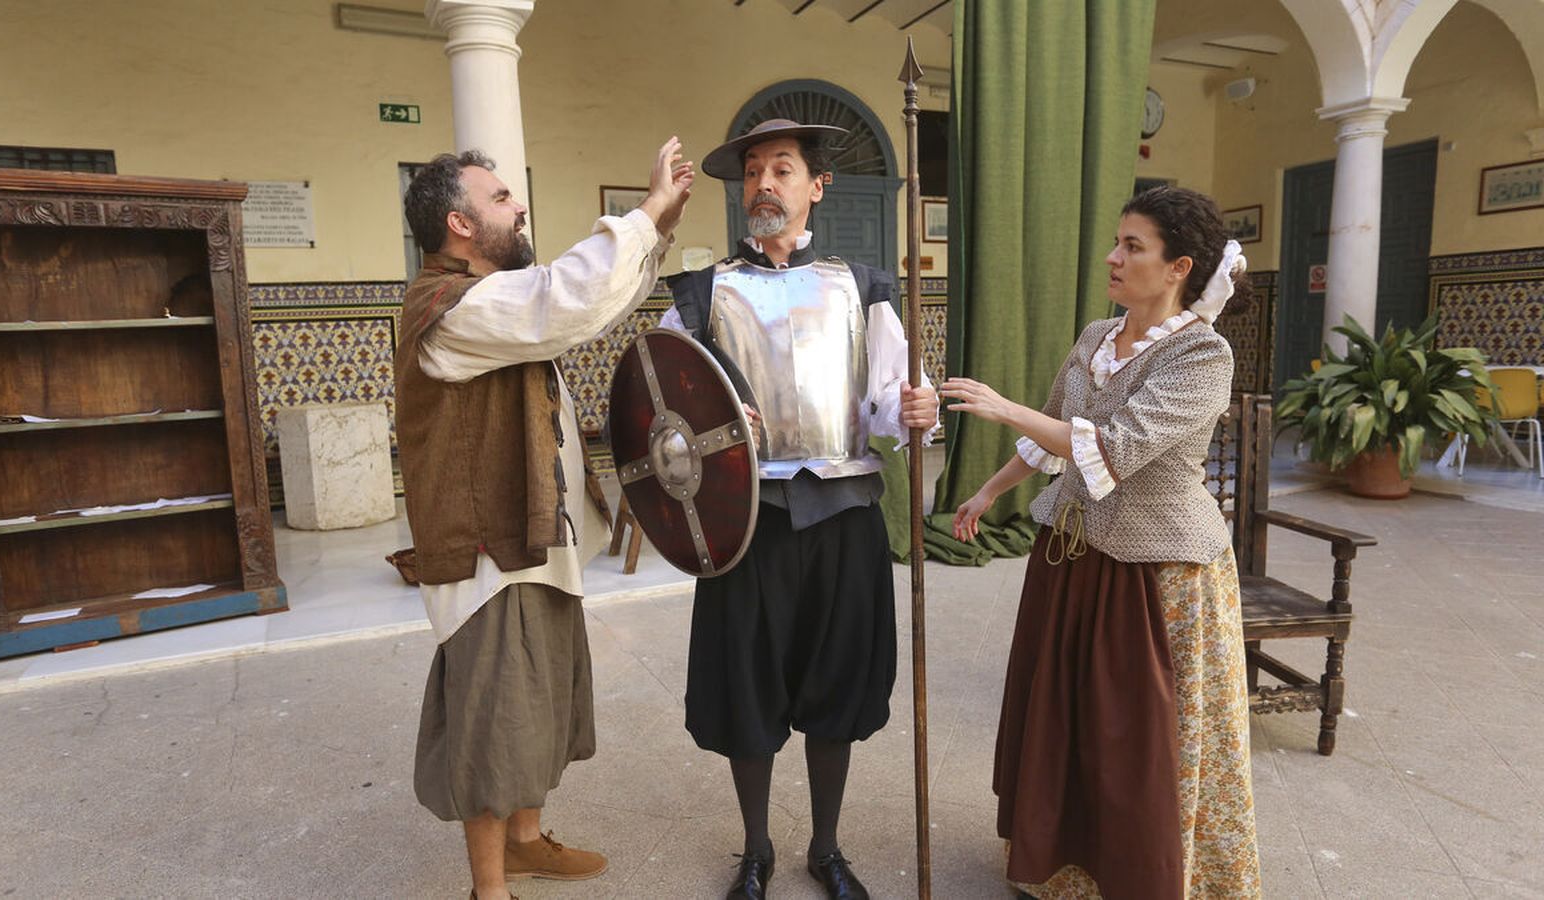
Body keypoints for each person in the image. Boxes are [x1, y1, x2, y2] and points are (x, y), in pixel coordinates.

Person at [942, 186, 1262, 899]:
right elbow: (1054, 431)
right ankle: (1065, 869)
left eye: (1133, 247)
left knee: (1136, 740)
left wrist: (1003, 407)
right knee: (1067, 719)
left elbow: (1112, 450)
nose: (1114, 258)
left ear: (1179, 267)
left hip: (1158, 571)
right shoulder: (1095, 337)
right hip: (1072, 554)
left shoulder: (1202, 356)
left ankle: (1147, 876)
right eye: (1117, 242)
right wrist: (991, 490)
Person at [395, 138, 693, 900]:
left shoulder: (497, 297)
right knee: (495, 717)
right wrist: (647, 211)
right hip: (488, 557)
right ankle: (489, 887)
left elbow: (578, 310)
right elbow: (564, 299)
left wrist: (653, 236)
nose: (518, 204)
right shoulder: (447, 307)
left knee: (537, 704)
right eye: (500, 198)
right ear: (458, 225)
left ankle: (526, 843)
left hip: (535, 541)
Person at [658, 119, 940, 900]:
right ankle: (755, 850)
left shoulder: (863, 286)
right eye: (752, 171)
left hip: (844, 515)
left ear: (816, 187)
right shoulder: (701, 294)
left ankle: (826, 846)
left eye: (781, 168)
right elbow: (661, 420)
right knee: (746, 687)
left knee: (835, 685)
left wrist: (914, 410)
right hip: (744, 523)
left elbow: (887, 398)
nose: (763, 183)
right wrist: (704, 444)